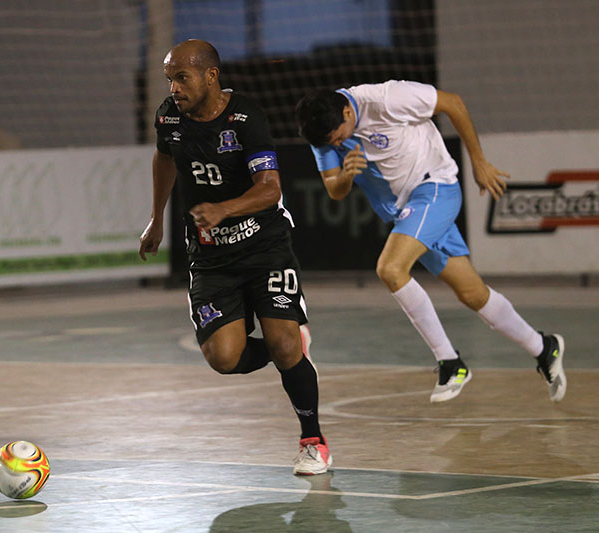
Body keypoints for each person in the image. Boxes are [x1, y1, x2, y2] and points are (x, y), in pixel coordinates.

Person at [295, 81, 566, 403]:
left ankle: (450, 362)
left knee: (390, 269)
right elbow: (335, 190)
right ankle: (543, 347)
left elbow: (453, 103)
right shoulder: (323, 132)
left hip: (435, 189)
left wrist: (478, 161)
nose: (337, 144)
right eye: (331, 143)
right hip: (407, 212)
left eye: (339, 137)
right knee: (473, 293)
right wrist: (347, 174)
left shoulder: (387, 99)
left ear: (346, 112)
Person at [139, 40, 331, 475]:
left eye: (181, 78)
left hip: (265, 247)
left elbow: (270, 189)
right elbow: (164, 159)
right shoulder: (169, 117)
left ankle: (313, 441)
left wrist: (223, 209)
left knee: (283, 343)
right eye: (169, 79)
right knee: (224, 358)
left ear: (211, 76)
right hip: (210, 258)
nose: (173, 88)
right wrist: (156, 220)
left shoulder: (246, 118)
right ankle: (289, 349)